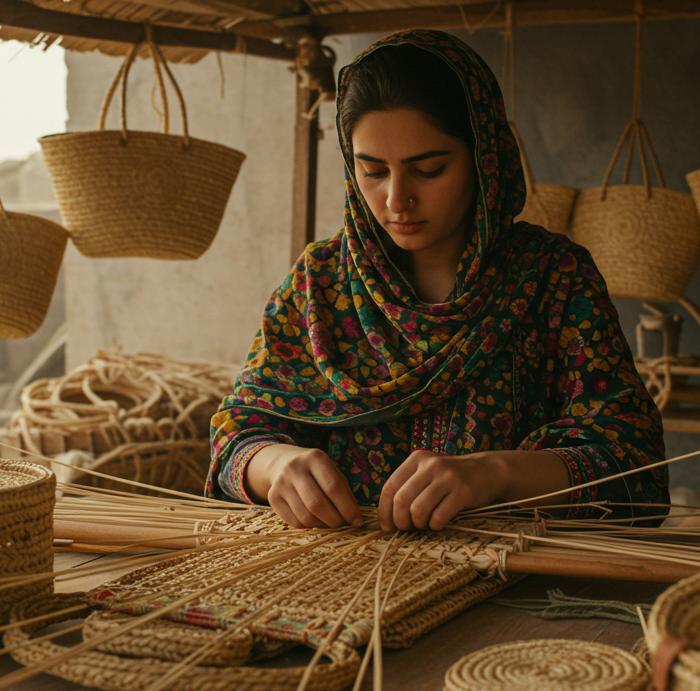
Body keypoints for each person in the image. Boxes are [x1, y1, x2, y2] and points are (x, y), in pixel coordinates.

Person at [207, 29, 667, 532]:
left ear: (485, 159)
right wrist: (273, 466)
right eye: (373, 171)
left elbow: (634, 465)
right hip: (335, 585)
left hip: (512, 588)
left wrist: (496, 472)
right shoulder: (318, 285)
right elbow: (238, 431)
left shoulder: (553, 280)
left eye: (428, 169)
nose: (396, 199)